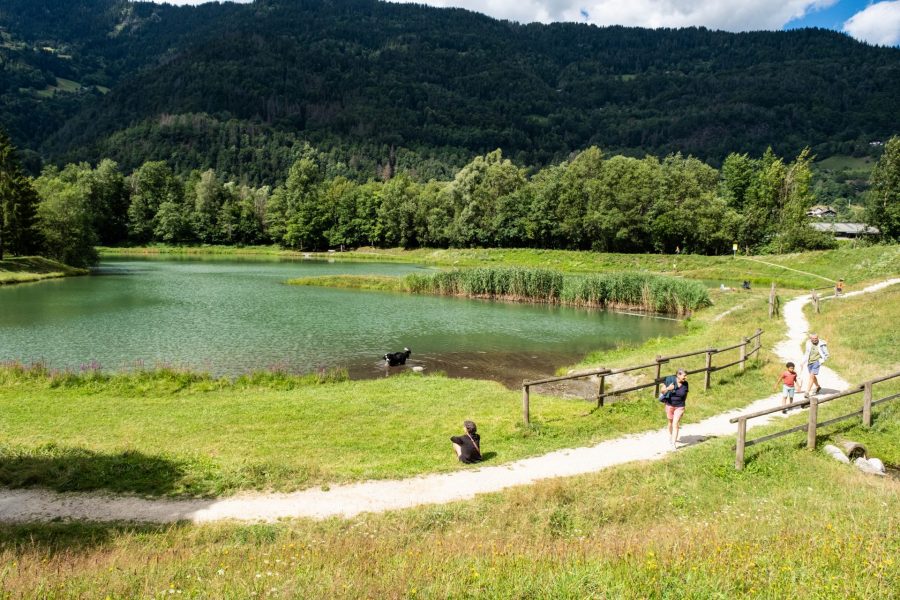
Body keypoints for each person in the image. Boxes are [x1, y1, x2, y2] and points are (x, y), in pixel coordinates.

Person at [661, 368, 688, 448]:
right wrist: (668, 388)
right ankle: (670, 435)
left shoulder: (686, 384)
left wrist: (682, 404)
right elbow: (662, 391)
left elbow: (685, 395)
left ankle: (673, 443)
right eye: (684, 376)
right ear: (678, 375)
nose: (686, 377)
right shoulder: (670, 381)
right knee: (670, 422)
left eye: (686, 376)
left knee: (675, 424)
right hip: (670, 405)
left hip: (680, 406)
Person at [801, 333, 829, 398]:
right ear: (811, 339)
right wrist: (803, 362)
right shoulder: (808, 343)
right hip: (809, 362)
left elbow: (827, 355)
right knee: (812, 376)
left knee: (811, 376)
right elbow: (806, 353)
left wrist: (820, 361)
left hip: (817, 362)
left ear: (818, 338)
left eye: (816, 338)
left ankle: (807, 392)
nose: (815, 340)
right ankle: (818, 386)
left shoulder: (822, 345)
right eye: (813, 339)